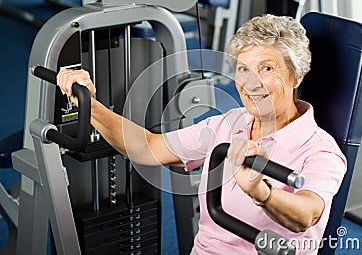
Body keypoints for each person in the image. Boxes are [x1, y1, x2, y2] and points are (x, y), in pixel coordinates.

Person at [57, 14, 346, 254]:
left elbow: (307, 214)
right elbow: (147, 147)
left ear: (296, 76)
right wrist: (87, 103)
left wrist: (262, 192)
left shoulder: (320, 150)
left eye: (267, 68)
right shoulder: (228, 124)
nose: (251, 82)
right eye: (243, 69)